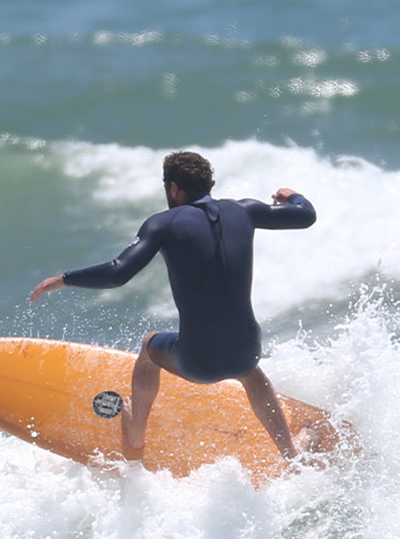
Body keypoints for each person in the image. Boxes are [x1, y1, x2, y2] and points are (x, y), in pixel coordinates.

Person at [29, 150, 316, 462]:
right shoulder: (243, 211)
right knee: (251, 373)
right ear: (208, 184)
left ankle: (134, 434)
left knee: (150, 345)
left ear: (174, 188)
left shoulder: (162, 225)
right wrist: (293, 195)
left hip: (198, 361)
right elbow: (306, 216)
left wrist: (63, 279)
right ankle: (290, 452)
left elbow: (117, 272)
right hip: (247, 349)